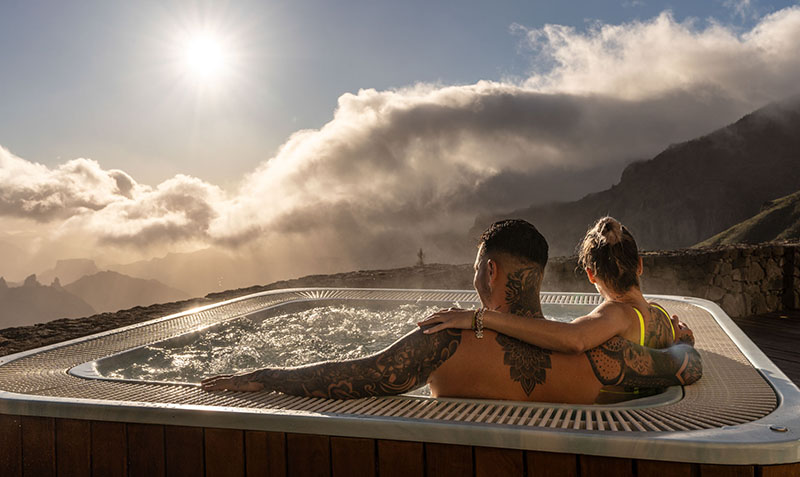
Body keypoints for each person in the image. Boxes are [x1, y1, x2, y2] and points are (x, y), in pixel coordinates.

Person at [202, 219, 701, 403]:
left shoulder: (445, 336)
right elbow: (684, 365)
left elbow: (367, 374)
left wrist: (269, 375)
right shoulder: (604, 349)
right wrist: (681, 342)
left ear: (488, 274)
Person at [418, 216, 693, 355]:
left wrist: (480, 318)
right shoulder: (659, 316)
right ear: (640, 266)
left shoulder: (616, 315)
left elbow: (574, 339)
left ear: (590, 275)